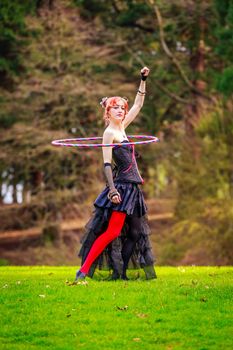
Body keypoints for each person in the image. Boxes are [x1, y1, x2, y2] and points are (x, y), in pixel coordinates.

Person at [76, 67, 156, 281]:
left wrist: (143, 79)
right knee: (112, 232)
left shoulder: (123, 128)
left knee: (136, 233)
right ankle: (82, 271)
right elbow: (106, 164)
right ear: (107, 112)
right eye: (116, 108)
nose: (121, 111)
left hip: (134, 188)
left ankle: (120, 275)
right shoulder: (109, 133)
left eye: (122, 108)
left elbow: (138, 104)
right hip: (121, 188)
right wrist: (112, 191)